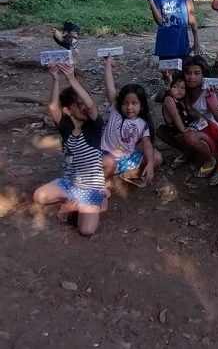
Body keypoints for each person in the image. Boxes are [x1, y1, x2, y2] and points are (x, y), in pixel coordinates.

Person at [33, 63, 105, 236]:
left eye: (83, 103)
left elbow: (91, 106)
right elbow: (53, 107)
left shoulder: (94, 128)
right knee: (39, 197)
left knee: (86, 230)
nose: (83, 107)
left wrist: (71, 78)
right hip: (70, 183)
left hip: (91, 188)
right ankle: (75, 202)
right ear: (67, 110)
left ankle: (85, 203)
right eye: (78, 105)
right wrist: (56, 79)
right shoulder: (66, 129)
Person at [158, 55, 218, 178]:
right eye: (188, 73)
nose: (192, 77)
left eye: (197, 73)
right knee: (163, 131)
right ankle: (190, 153)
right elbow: (160, 98)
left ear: (203, 75)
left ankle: (209, 159)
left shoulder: (208, 93)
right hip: (192, 127)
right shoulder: (183, 89)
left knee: (188, 136)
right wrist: (167, 79)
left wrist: (212, 99)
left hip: (209, 130)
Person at [140, 0, 200, 91]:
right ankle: (170, 106)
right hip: (164, 45)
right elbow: (160, 21)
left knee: (184, 79)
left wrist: (196, 41)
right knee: (169, 81)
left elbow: (191, 17)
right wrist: (150, 0)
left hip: (181, 43)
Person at [101, 56, 162, 186]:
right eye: (125, 103)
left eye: (134, 103)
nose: (129, 107)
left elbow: (147, 145)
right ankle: (108, 179)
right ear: (120, 103)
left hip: (126, 159)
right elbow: (110, 85)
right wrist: (108, 65)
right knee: (106, 164)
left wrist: (150, 164)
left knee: (156, 158)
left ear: (142, 105)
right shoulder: (115, 109)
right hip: (106, 156)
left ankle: (128, 174)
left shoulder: (142, 124)